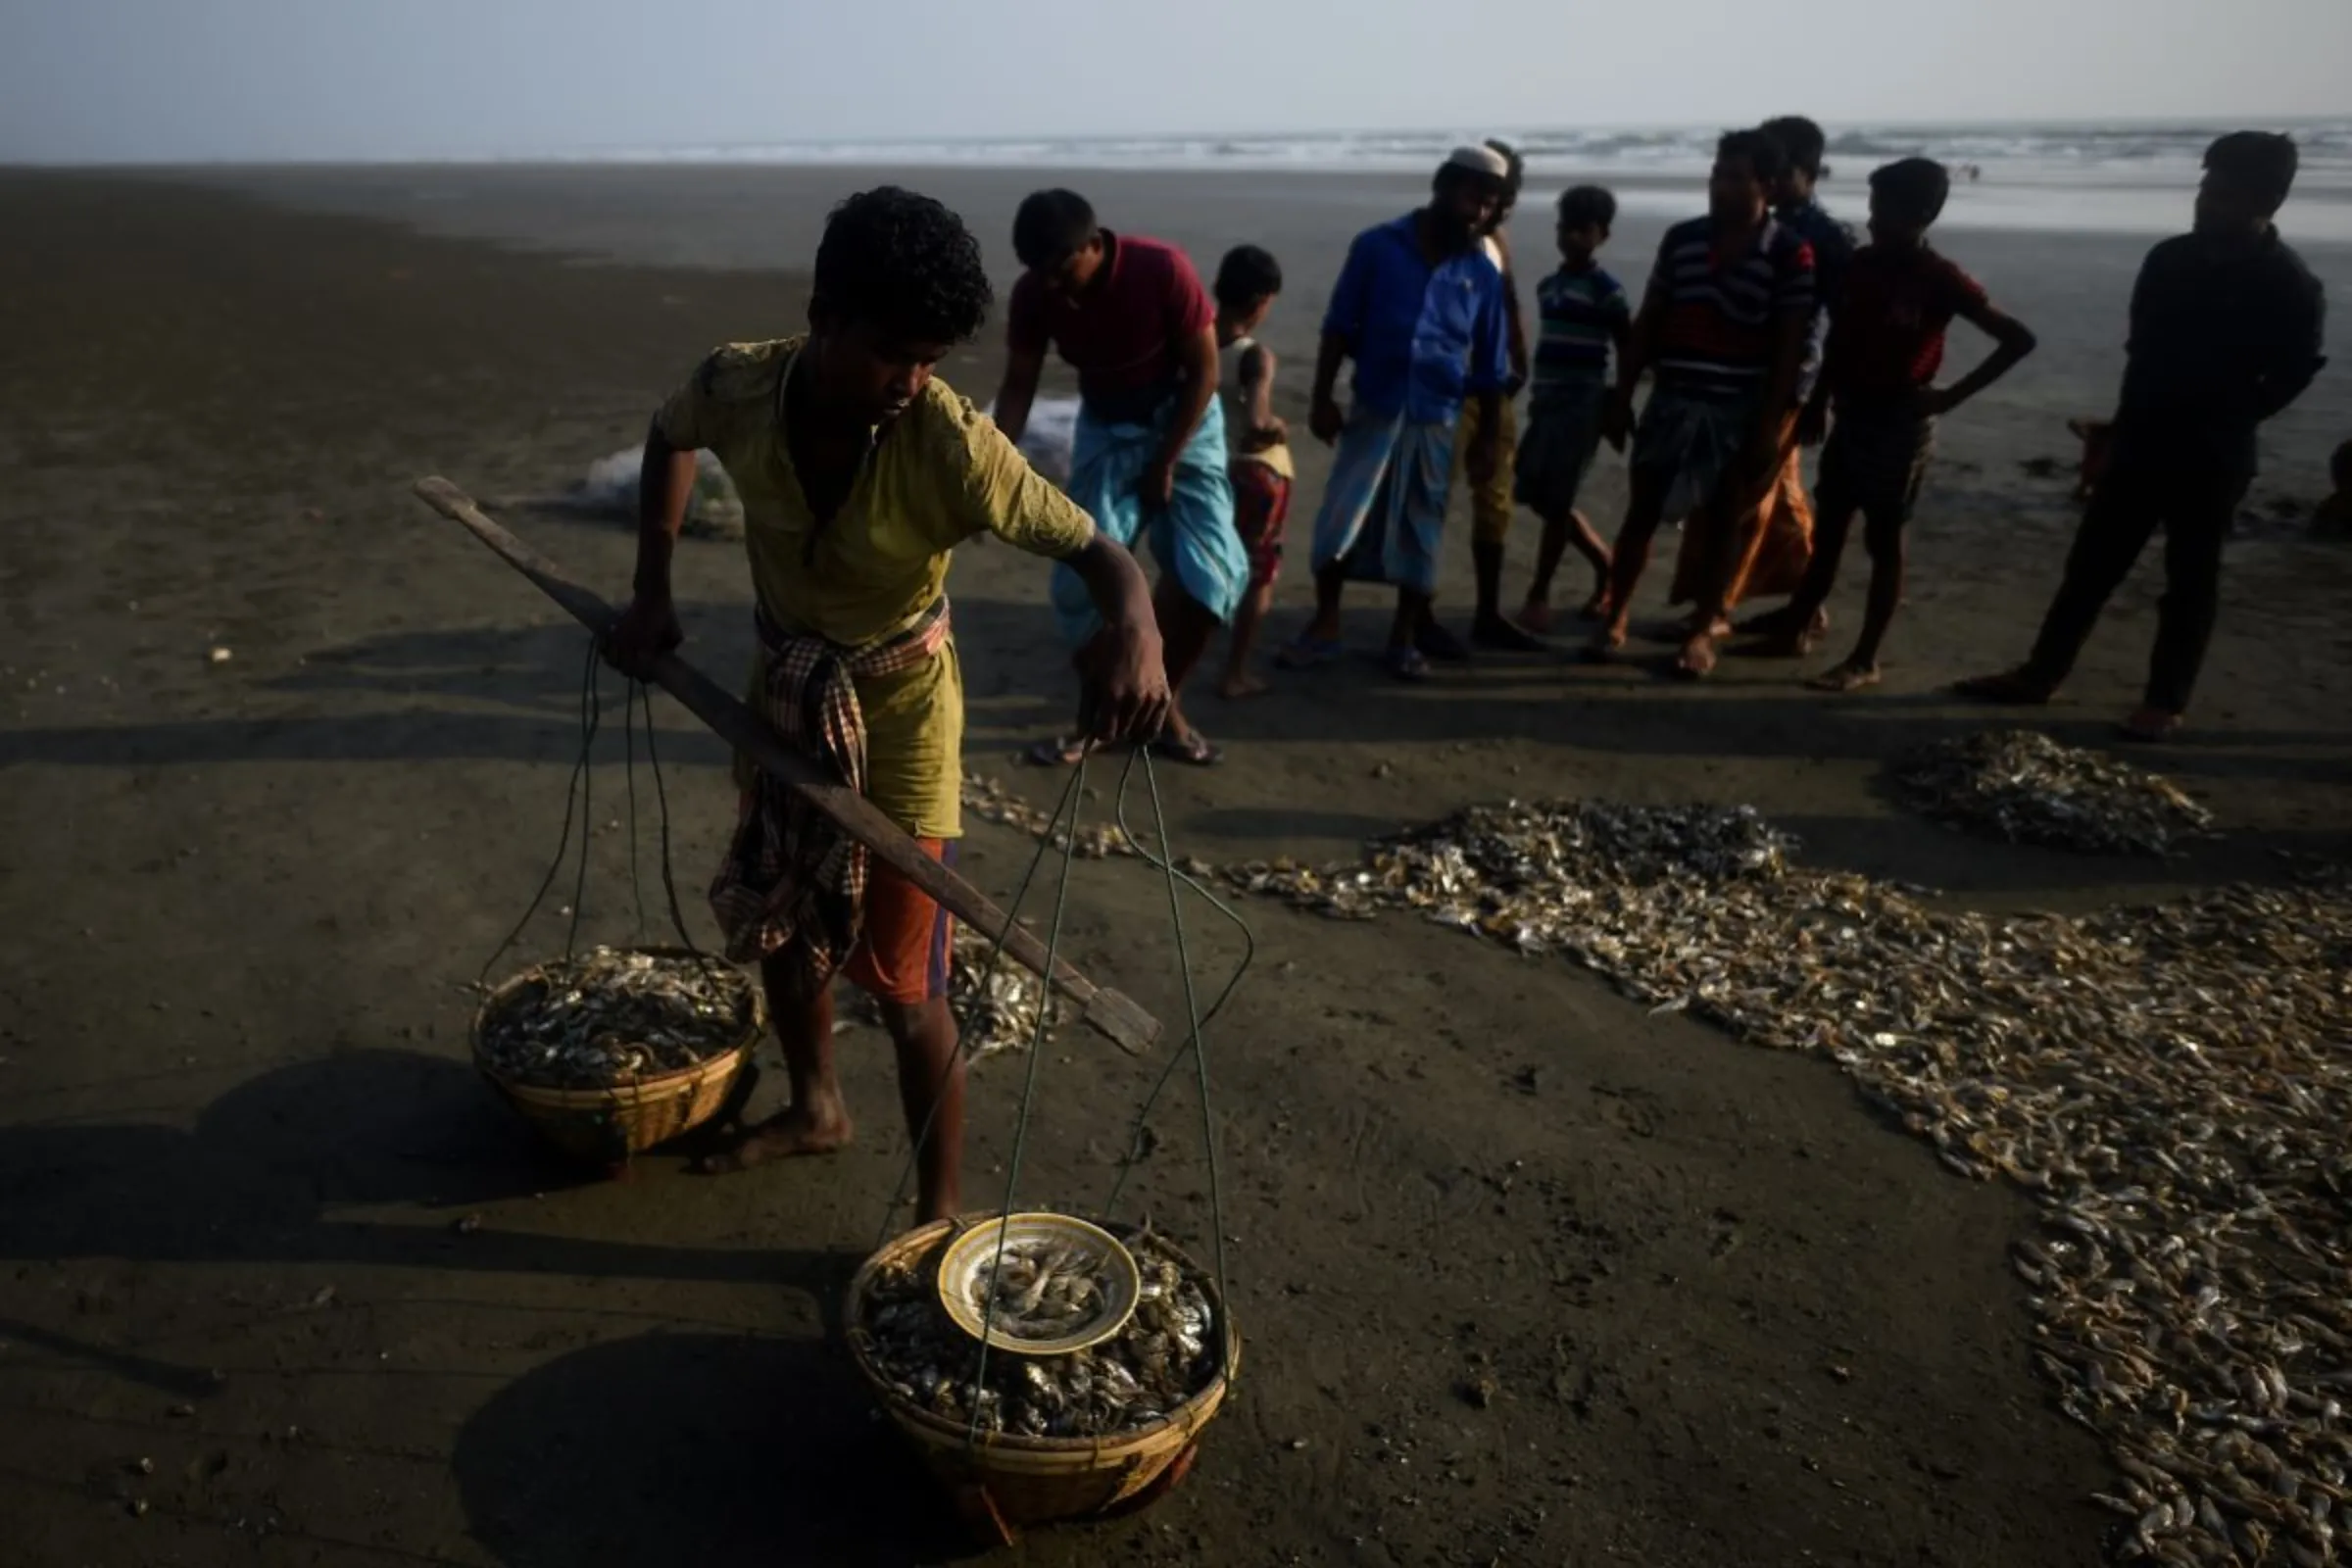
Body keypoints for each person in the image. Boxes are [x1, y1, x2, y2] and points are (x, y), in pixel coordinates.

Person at [604, 187, 1171, 1225]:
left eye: (932, 361)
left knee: (909, 988)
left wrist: (1136, 625)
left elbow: (1100, 554)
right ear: (824, 318)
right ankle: (817, 1104)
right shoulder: (739, 385)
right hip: (782, 693)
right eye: (892, 354)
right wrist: (654, 589)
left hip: (902, 714)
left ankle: (937, 1218)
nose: (911, 382)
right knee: (782, 919)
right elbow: (667, 434)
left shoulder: (952, 443)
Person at [1957, 132, 2326, 741]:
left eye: (2227, 194)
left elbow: (2292, 375)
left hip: (2213, 452)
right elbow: (2142, 349)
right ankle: (2040, 674)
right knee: (2091, 566)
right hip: (2141, 435)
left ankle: (2164, 701)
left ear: (2270, 200)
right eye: (2207, 188)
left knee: (2191, 578)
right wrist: (2120, 429)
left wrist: (2230, 417)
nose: (2208, 203)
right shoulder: (2168, 259)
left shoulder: (2290, 286)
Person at [1744, 158, 2037, 690]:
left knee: (1884, 540)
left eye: (1887, 210)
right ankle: (1795, 628)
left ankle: (1864, 658)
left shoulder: (1940, 278)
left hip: (1900, 423)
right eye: (1873, 207)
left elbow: (2017, 339)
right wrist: (1818, 403)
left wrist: (1950, 396)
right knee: (1829, 530)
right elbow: (1841, 339)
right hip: (1851, 415)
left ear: (1922, 214)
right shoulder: (1862, 265)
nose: (1875, 219)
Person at [993, 189, 1246, 766]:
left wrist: (1165, 461)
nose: (1053, 285)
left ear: (1093, 244)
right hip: (1107, 426)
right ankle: (1102, 719)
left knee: (1213, 578)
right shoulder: (1037, 292)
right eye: (1040, 274)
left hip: (1184, 418)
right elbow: (1017, 386)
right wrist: (993, 463)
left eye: (1062, 269)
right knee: (1079, 585)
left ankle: (1162, 706)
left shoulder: (1161, 268)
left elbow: (1206, 371)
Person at [1589, 130, 1815, 675]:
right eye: (1716, 175)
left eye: (1735, 177)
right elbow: (1650, 319)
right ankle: (1614, 615)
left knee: (1719, 525)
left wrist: (1768, 424)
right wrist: (1621, 396)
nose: (1720, 186)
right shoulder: (1682, 239)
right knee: (1640, 513)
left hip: (1737, 408)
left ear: (1765, 184)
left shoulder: (1789, 252)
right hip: (1673, 398)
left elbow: (1789, 344)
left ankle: (1699, 633)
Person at [1284, 146, 1511, 682]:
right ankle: (1327, 624)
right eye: (1473, 197)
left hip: (1437, 415)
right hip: (1376, 404)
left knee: (1421, 527)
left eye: (1490, 204)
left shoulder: (1481, 271)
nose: (1479, 212)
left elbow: (1491, 364)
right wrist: (1321, 397)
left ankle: (1403, 639)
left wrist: (1488, 440)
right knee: (1342, 516)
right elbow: (1339, 325)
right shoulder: (1377, 248)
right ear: (1444, 187)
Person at [1690, 116, 1854, 648]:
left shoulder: (1824, 238)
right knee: (1778, 499)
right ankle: (1804, 606)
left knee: (1749, 499)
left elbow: (1839, 326)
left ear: (1804, 171)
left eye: (1777, 170)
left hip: (1788, 383)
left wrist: (1819, 399)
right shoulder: (1763, 225)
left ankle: (1722, 606)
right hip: (1741, 375)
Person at [1513, 184, 1631, 630]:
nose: (1571, 238)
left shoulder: (1608, 292)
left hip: (1583, 403)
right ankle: (1605, 561)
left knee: (1558, 499)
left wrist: (1618, 407)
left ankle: (1539, 593)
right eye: (1565, 228)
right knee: (1536, 494)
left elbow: (1626, 349)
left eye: (1583, 230)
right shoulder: (1550, 286)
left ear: (1602, 235)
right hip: (1547, 401)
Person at [1454, 139, 1547, 654]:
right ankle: (1417, 614)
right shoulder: (1443, 239)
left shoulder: (1498, 243)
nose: (1500, 205)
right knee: (1432, 499)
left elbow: (1508, 299)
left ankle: (1487, 611)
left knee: (1495, 501)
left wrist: (1519, 355)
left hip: (1492, 386)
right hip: (1448, 387)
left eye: (1507, 196)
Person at [1209, 244, 1291, 698]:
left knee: (1207, 564)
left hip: (1208, 467)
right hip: (1255, 472)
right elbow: (1257, 422)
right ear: (1261, 301)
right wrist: (1279, 428)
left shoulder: (1198, 341)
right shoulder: (1254, 355)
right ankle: (1235, 671)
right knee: (1259, 571)